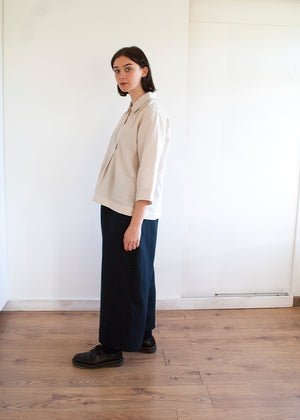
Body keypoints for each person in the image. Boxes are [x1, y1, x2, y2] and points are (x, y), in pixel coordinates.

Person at [72, 46, 170, 369]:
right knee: (138, 273)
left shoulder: (151, 113)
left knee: (119, 276)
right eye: (116, 70)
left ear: (144, 70)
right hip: (120, 206)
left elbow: (149, 172)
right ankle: (143, 336)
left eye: (127, 68)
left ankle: (111, 347)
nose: (121, 76)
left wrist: (136, 222)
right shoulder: (133, 110)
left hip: (130, 211)